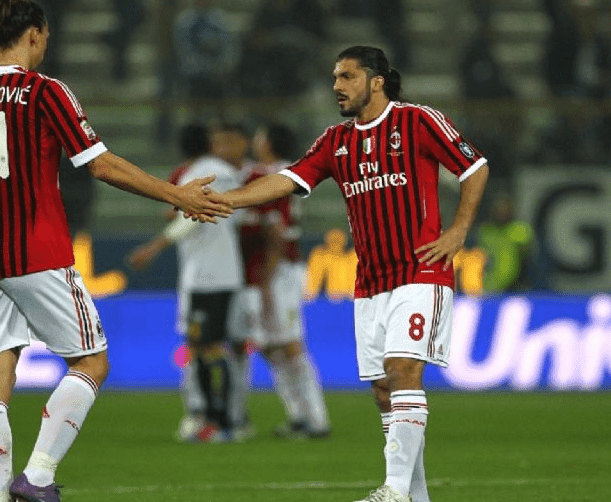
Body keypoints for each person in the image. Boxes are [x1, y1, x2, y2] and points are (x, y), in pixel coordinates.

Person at [0, 0, 230, 502]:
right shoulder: (44, 91)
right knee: (92, 363)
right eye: (45, 37)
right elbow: (99, 164)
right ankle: (38, 476)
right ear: (33, 34)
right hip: (37, 252)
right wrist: (176, 194)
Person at [214, 46, 489, 502]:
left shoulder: (417, 121)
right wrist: (228, 200)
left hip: (421, 271)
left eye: (347, 76)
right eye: (335, 78)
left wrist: (459, 230)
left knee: (403, 370)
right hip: (371, 282)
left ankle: (394, 491)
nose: (337, 86)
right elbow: (289, 179)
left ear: (376, 81)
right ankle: (415, 496)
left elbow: (474, 168)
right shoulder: (335, 141)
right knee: (383, 390)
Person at [126, 122, 249, 442]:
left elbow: (189, 221)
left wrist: (153, 247)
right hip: (211, 273)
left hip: (211, 275)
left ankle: (224, 421)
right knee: (204, 347)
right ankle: (217, 418)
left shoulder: (203, 173)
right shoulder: (220, 171)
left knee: (210, 347)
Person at [241, 122, 330, 439]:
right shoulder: (269, 172)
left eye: (260, 135)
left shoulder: (276, 175)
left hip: (280, 271)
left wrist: (266, 280)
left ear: (269, 142)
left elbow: (277, 233)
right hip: (265, 272)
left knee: (290, 345)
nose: (255, 140)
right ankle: (298, 416)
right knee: (269, 346)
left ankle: (316, 419)